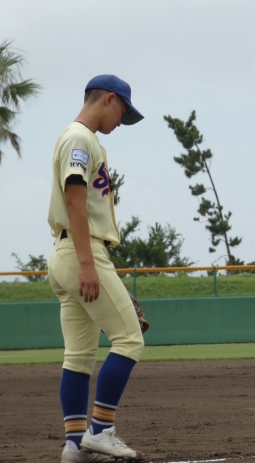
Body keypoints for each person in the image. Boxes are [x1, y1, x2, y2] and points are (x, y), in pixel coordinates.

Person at [48, 74, 146, 463]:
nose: (122, 120)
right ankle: (102, 431)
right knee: (130, 340)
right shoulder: (80, 138)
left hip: (67, 253)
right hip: (81, 251)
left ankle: (76, 445)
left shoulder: (80, 138)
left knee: (79, 356)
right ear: (108, 99)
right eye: (123, 110)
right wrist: (88, 265)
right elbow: (75, 200)